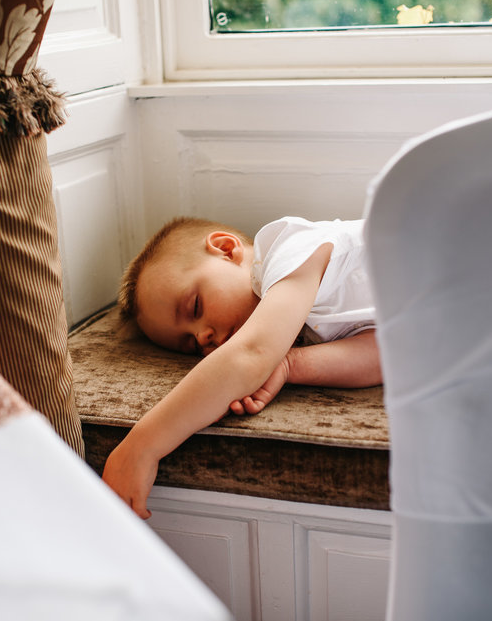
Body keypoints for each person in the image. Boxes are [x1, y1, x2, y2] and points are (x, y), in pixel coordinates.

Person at [103, 216, 383, 519]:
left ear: (226, 249)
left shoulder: (290, 249)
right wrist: (290, 364)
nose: (202, 337)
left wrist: (142, 446)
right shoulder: (302, 329)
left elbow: (251, 352)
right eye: (191, 345)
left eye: (195, 307)